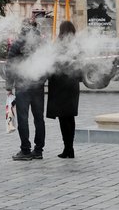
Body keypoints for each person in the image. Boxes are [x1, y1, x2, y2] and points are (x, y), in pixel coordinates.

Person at [5, 19, 46, 160]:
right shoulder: (42, 43)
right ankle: (39, 150)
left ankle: (25, 150)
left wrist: (9, 86)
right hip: (38, 85)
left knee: (23, 118)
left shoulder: (18, 43)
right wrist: (42, 80)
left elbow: (10, 65)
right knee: (39, 118)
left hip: (22, 85)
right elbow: (49, 63)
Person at [46, 21, 81, 159]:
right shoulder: (77, 44)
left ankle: (67, 148)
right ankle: (69, 148)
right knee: (70, 118)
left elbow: (52, 64)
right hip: (72, 85)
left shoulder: (58, 44)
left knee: (63, 118)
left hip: (61, 85)